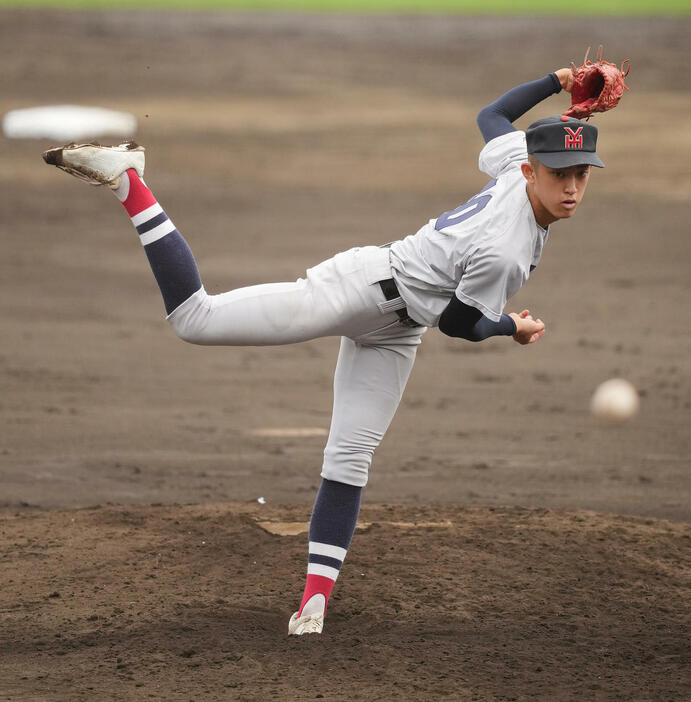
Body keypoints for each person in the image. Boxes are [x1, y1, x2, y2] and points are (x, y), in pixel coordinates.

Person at [42, 65, 604, 636]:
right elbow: (461, 324)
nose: (573, 188)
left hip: (398, 331)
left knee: (350, 458)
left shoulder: (517, 165)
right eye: (561, 174)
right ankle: (130, 183)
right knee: (196, 319)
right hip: (359, 287)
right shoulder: (504, 249)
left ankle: (313, 603)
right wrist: (512, 326)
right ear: (532, 170)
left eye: (582, 174)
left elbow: (493, 116)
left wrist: (556, 80)